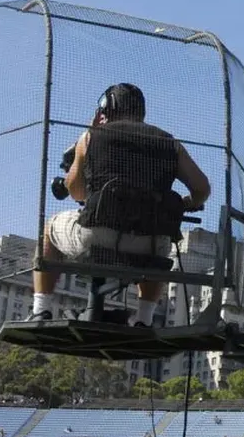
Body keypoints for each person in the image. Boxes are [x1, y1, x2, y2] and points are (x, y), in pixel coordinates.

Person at [27, 83, 211, 327]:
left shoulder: (91, 136)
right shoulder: (170, 143)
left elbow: (76, 191)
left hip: (99, 235)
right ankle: (144, 319)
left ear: (106, 108)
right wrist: (186, 204)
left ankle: (41, 310)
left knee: (50, 228)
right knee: (159, 232)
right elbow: (202, 189)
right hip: (152, 244)